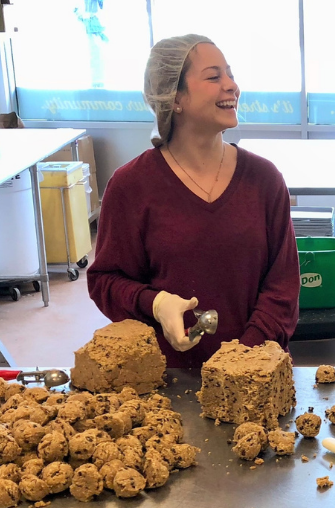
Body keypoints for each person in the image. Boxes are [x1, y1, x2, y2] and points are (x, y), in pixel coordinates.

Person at [86, 34, 300, 368]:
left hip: (258, 376)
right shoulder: (132, 185)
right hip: (167, 381)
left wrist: (243, 356)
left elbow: (283, 287)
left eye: (230, 74)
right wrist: (155, 303)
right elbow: (106, 282)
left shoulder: (263, 179)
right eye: (214, 77)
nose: (232, 86)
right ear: (175, 98)